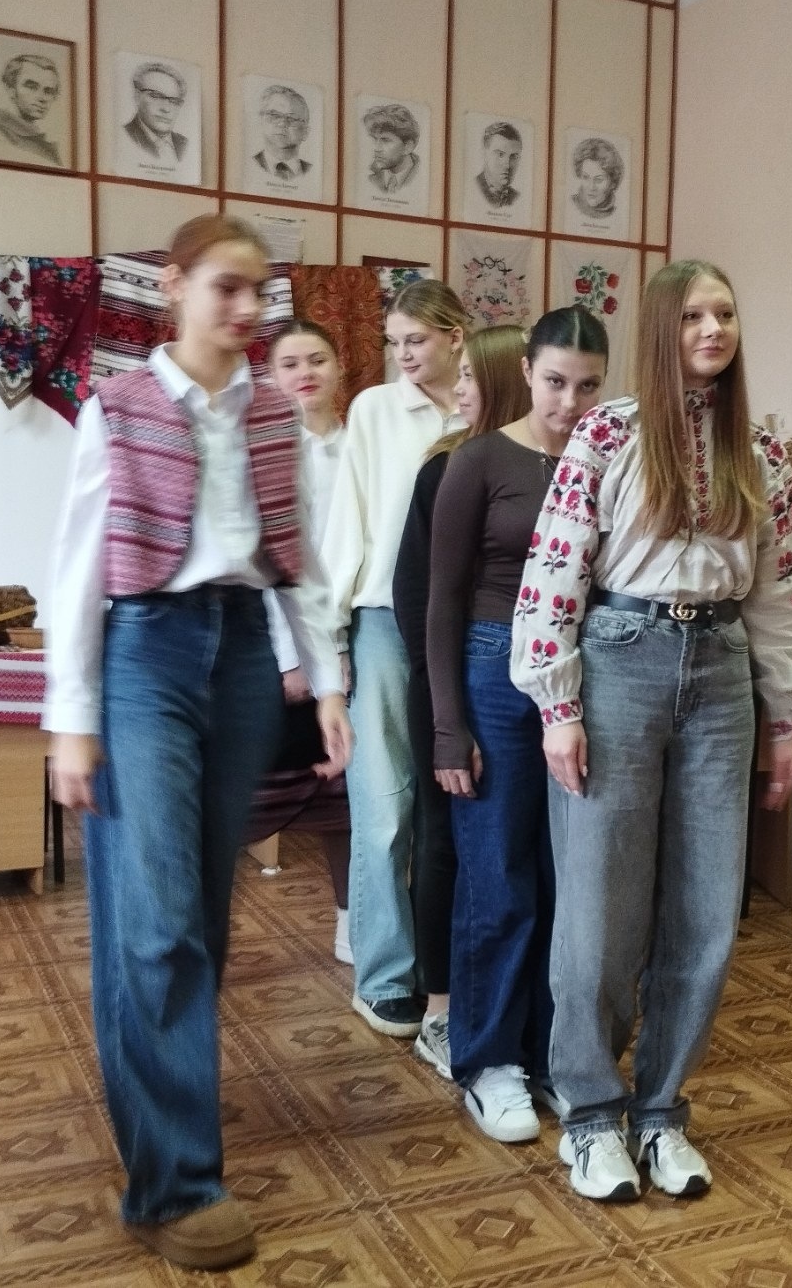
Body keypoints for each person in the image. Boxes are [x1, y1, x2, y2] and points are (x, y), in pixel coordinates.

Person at [44, 214, 353, 1271]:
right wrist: (72, 719)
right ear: (173, 286)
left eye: (260, 291)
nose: (248, 309)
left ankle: (157, 1125)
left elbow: (301, 559)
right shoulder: (119, 407)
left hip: (243, 656)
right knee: (158, 915)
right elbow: (77, 567)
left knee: (197, 916)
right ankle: (175, 1184)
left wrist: (329, 683)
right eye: (226, 287)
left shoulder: (271, 412)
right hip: (146, 652)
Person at [513, 260, 792, 1203]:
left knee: (705, 911)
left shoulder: (760, 450)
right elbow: (554, 568)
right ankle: (591, 1115)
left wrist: (788, 718)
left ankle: (660, 1110)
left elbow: (785, 592)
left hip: (721, 672)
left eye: (725, 312)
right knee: (600, 909)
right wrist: (558, 705)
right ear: (659, 328)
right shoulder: (608, 432)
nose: (714, 328)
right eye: (693, 315)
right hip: (620, 661)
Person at [429, 309, 606, 1143]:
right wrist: (446, 724)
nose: (570, 402)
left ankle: (548, 1055)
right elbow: (441, 601)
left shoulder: (608, 460)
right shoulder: (479, 460)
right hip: (492, 667)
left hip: (581, 672)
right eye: (556, 381)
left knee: (566, 879)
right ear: (528, 370)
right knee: (498, 875)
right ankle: (489, 1060)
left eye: (588, 386)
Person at [323, 280, 468, 1037]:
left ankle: (450, 966)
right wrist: (333, 636)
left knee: (455, 806)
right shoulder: (377, 410)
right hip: (383, 618)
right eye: (394, 342)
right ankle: (383, 976)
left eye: (417, 339)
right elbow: (346, 522)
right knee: (384, 805)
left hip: (469, 626)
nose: (403, 354)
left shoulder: (485, 406)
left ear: (455, 335)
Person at [393, 325, 531, 1080]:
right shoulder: (443, 468)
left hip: (520, 680)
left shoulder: (551, 470)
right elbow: (419, 595)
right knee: (443, 836)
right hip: (444, 679)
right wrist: (441, 701)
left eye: (475, 377)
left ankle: (508, 1007)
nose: (461, 389)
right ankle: (440, 1012)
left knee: (511, 849)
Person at [267, 321, 354, 963]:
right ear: (271, 378)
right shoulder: (267, 452)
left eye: (317, 359)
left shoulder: (360, 447)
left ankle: (353, 920)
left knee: (348, 797)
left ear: (339, 368)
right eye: (290, 363)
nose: (305, 373)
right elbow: (271, 568)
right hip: (280, 646)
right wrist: (293, 658)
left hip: (354, 638)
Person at [0, 53, 62, 166]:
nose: (42, 98)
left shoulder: (39, 140)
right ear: (11, 89)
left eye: (48, 91)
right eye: (31, 87)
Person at [124, 61, 188, 164]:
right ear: (137, 96)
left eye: (174, 101)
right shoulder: (124, 137)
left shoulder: (185, 144)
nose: (166, 109)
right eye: (156, 96)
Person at [251, 83, 311, 183]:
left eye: (292, 118)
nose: (282, 123)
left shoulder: (313, 172)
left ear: (305, 132)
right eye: (274, 115)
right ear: (260, 122)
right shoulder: (250, 164)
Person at [365, 102, 420, 195]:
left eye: (385, 140)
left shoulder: (422, 182)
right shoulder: (370, 181)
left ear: (408, 147)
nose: (376, 148)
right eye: (375, 139)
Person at [570, 137, 624, 220]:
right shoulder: (570, 204)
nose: (591, 187)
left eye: (599, 180)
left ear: (612, 183)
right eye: (585, 177)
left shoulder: (619, 214)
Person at [475, 121, 523, 210]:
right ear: (484, 154)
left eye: (513, 157)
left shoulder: (518, 198)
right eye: (500, 154)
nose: (507, 165)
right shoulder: (472, 189)